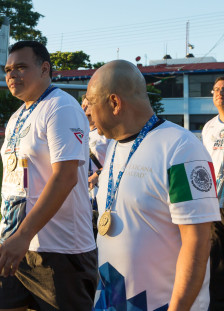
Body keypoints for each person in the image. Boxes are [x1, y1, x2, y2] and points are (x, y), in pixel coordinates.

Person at [87, 60, 221, 311]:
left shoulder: (182, 149)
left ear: (115, 103)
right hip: (111, 300)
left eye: (91, 103)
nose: (88, 112)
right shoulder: (115, 146)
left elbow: (198, 242)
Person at [0, 41, 97, 311]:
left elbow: (65, 177)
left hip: (60, 251)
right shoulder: (16, 117)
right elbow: (14, 183)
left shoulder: (62, 108)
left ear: (45, 69)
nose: (12, 75)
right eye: (9, 69)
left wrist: (23, 235)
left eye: (21, 67)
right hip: (15, 243)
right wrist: (6, 236)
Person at [201, 76, 224, 311]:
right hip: (214, 202)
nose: (219, 93)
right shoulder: (209, 128)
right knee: (215, 258)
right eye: (216, 90)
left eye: (223, 89)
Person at [82, 95, 111, 238]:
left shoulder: (107, 135)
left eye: (87, 105)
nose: (83, 108)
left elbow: (114, 163)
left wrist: (97, 175)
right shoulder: (78, 133)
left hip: (99, 193)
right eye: (82, 105)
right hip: (81, 194)